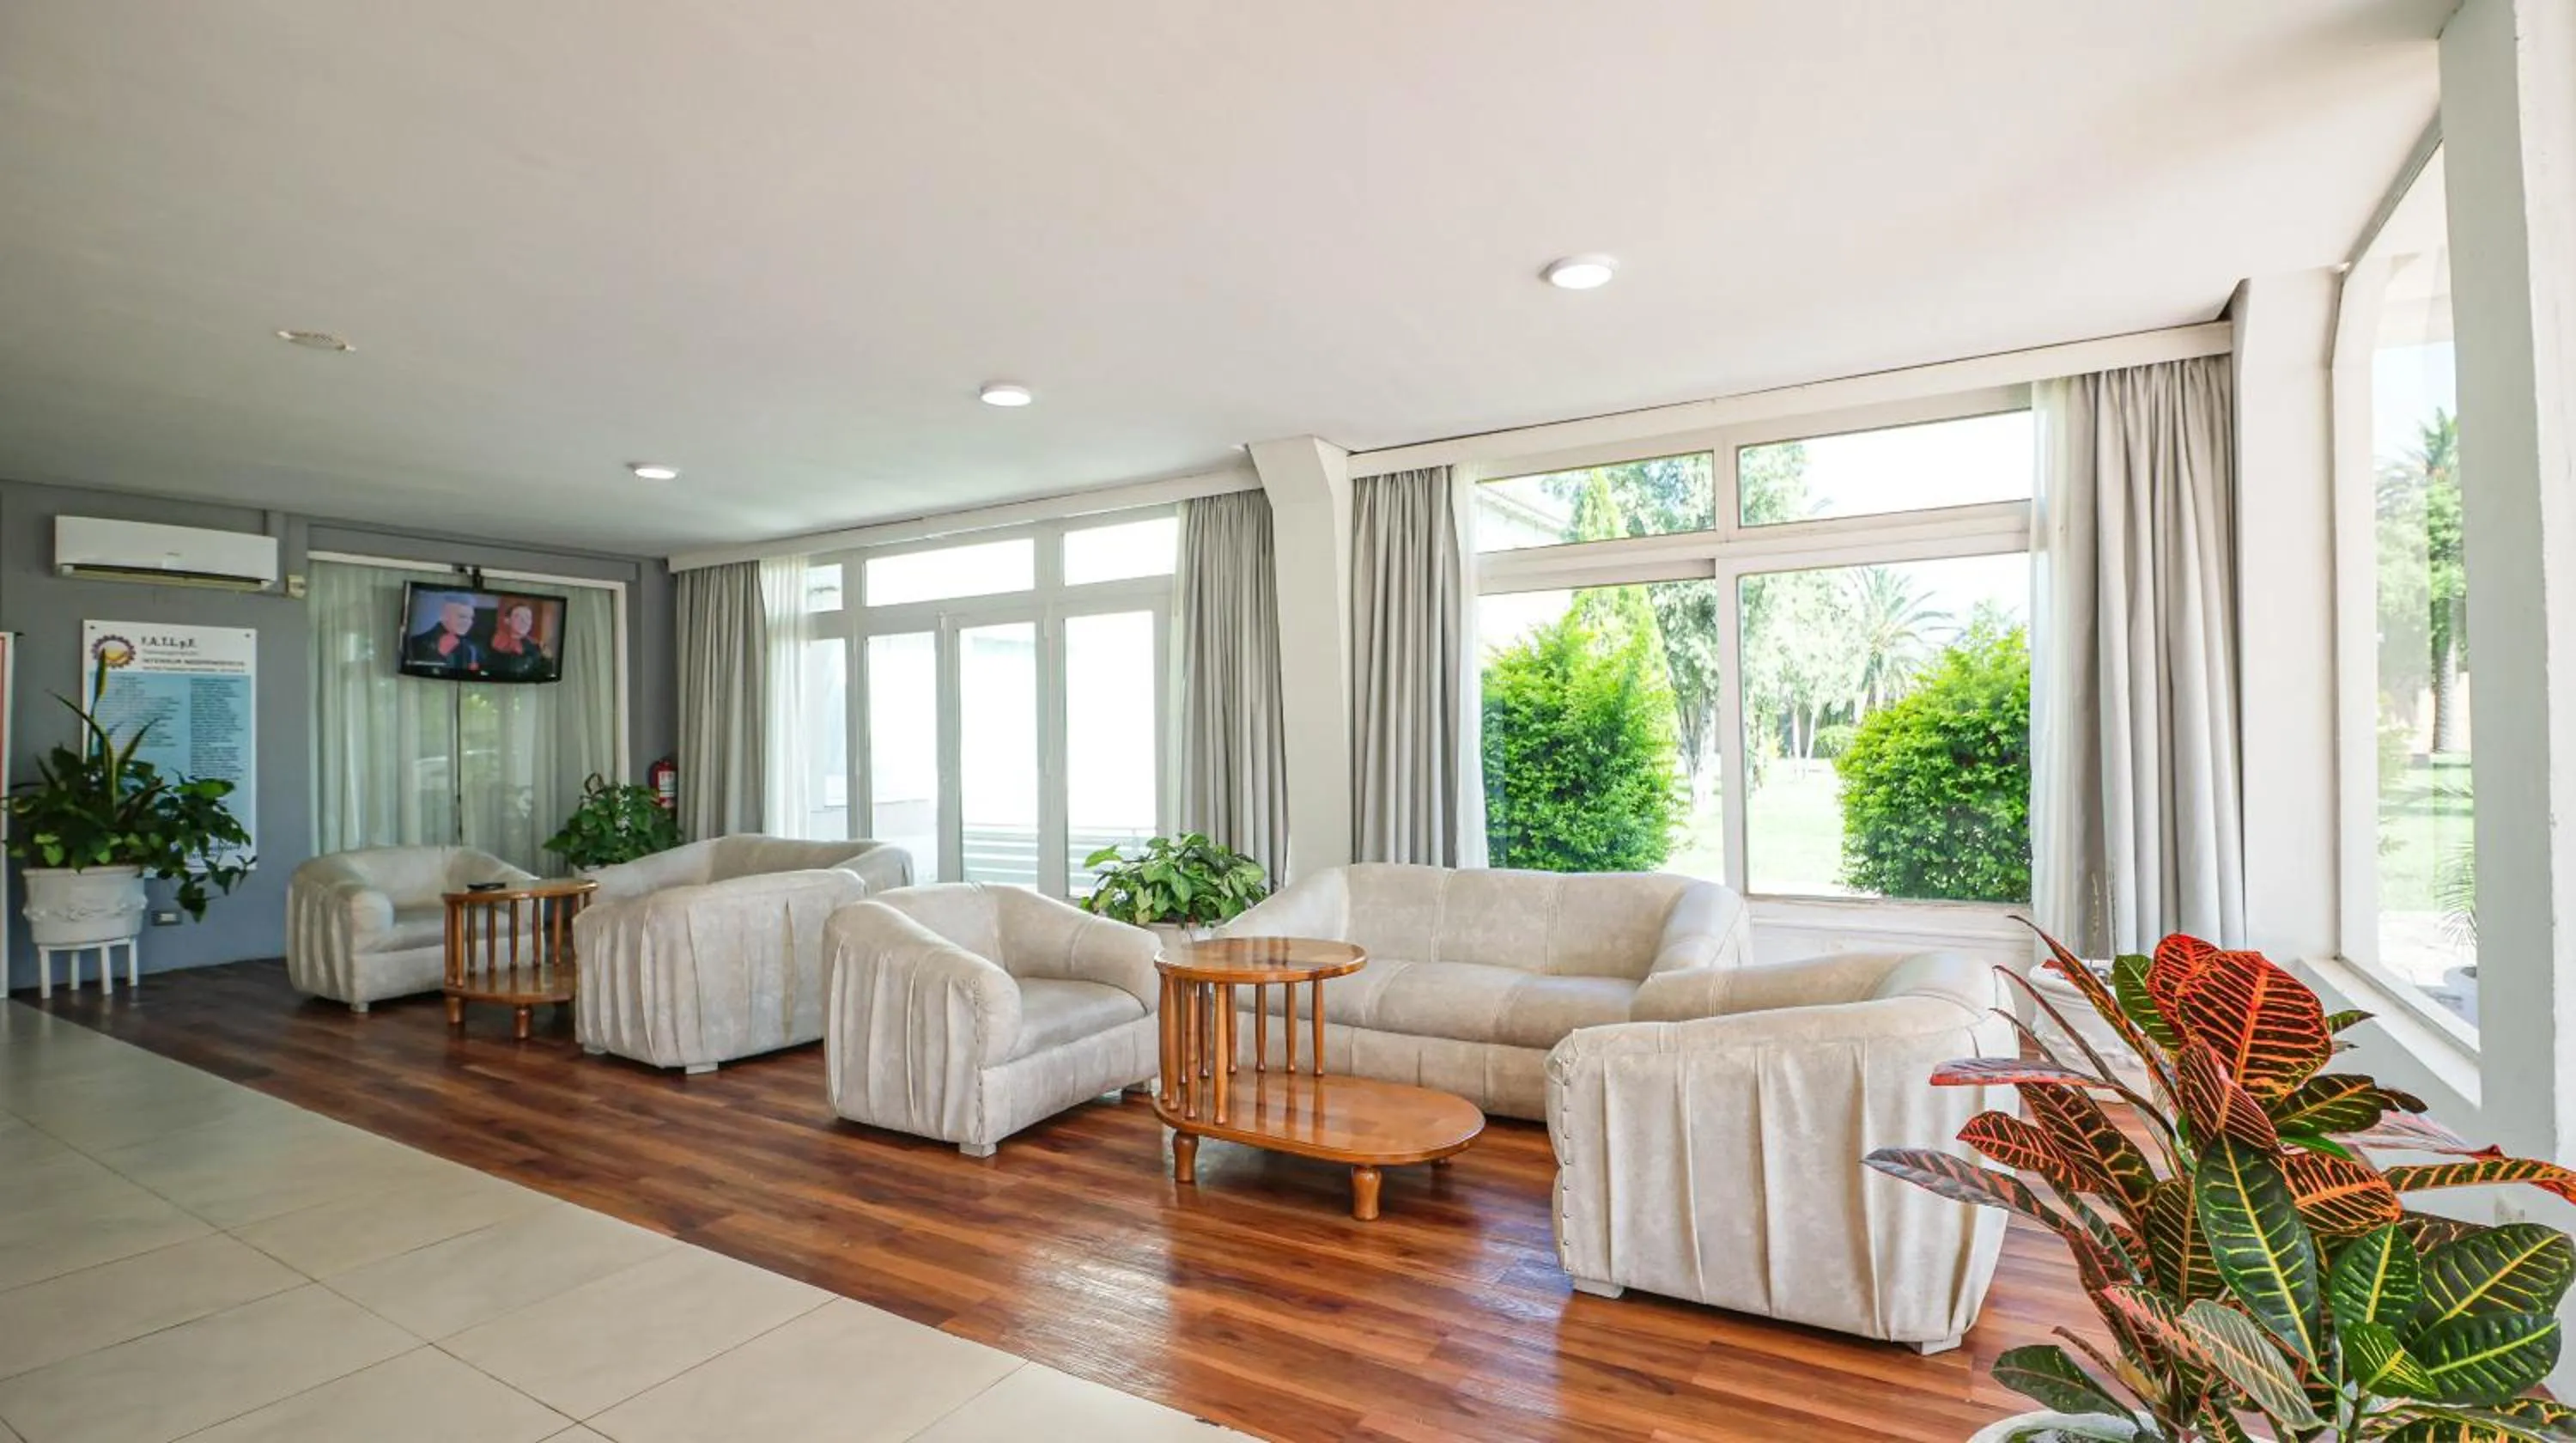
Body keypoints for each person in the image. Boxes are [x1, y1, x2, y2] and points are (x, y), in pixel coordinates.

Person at [404, 593, 484, 673]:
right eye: (462, 617)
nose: (468, 622)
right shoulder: (417, 643)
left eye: (471, 618)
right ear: (444, 616)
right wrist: (440, 655)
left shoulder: (472, 648)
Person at [484, 599, 554, 681]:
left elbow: (544, 677)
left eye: (528, 618)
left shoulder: (537, 647)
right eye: (518, 617)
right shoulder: (494, 642)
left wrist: (548, 660)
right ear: (507, 620)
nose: (524, 621)